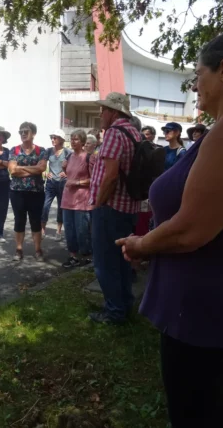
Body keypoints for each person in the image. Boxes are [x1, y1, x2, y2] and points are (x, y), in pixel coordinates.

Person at [116, 29, 223, 427]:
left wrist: (142, 243)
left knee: (195, 414)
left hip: (202, 306)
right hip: (218, 296)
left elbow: (189, 231)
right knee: (206, 406)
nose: (195, 85)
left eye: (199, 74)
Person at [89, 92, 142, 324]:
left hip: (110, 208)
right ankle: (124, 305)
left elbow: (110, 177)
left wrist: (98, 204)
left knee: (105, 263)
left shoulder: (113, 133)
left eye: (104, 110)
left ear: (113, 112)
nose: (101, 114)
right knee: (122, 262)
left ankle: (114, 313)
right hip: (129, 207)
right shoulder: (134, 133)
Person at [8, 122, 47, 262]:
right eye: (21, 131)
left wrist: (22, 168)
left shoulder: (41, 150)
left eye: (26, 131)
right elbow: (12, 170)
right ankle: (19, 249)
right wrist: (33, 169)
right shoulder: (14, 150)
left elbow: (41, 169)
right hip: (17, 192)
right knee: (19, 221)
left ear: (33, 133)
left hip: (36, 192)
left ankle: (38, 249)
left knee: (36, 221)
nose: (23, 134)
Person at [61, 129, 93, 268]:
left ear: (83, 142)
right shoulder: (69, 157)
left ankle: (87, 257)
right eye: (72, 139)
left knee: (82, 230)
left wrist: (77, 183)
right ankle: (73, 256)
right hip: (67, 199)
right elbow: (69, 174)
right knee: (69, 230)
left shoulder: (89, 157)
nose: (73, 141)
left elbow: (94, 179)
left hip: (82, 200)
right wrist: (64, 171)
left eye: (76, 139)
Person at [41, 128, 70, 241]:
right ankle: (42, 229)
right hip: (51, 183)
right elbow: (42, 164)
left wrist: (66, 173)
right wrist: (45, 172)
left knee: (60, 207)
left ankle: (58, 231)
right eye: (51, 137)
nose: (52, 139)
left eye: (55, 138)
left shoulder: (67, 152)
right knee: (45, 205)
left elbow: (73, 165)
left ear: (61, 139)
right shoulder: (48, 151)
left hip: (63, 183)